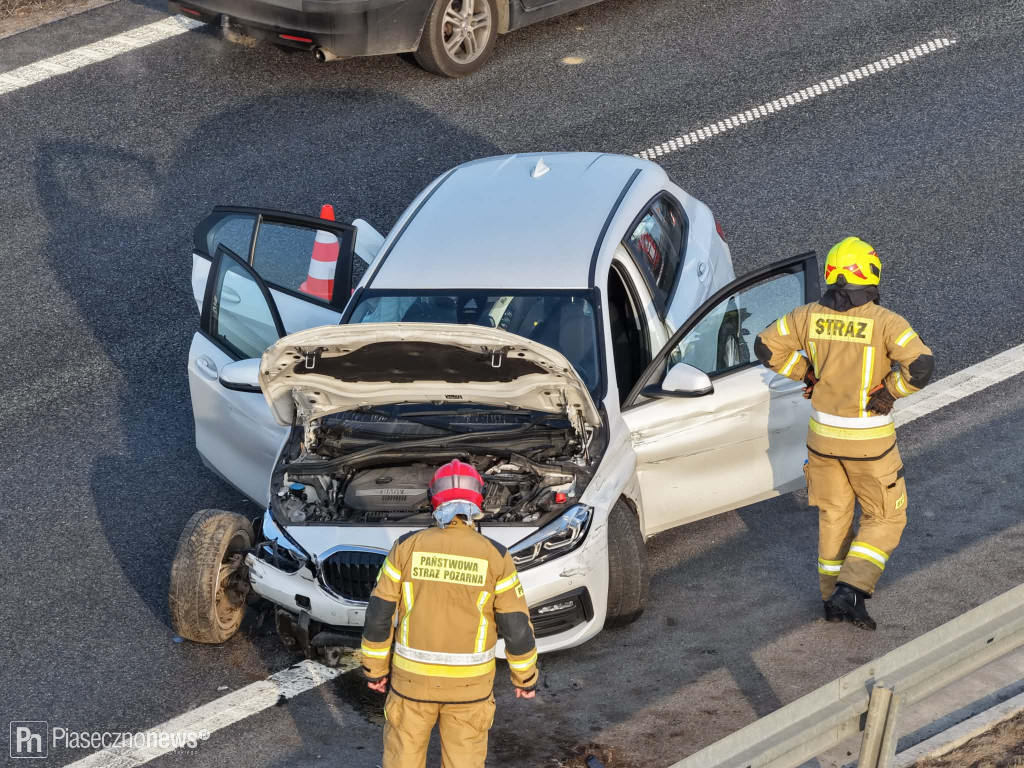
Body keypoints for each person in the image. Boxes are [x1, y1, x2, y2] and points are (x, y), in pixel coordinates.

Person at [755, 237, 934, 630]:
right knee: (886, 516)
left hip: (822, 441)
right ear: (870, 274)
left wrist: (806, 373)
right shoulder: (886, 322)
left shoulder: (807, 316)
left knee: (834, 516)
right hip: (870, 443)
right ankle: (851, 590)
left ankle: (831, 600)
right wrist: (890, 392)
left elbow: (765, 347)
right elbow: (920, 366)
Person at [360, 459, 539, 768]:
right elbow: (516, 626)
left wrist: (374, 670)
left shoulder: (406, 547)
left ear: (434, 501)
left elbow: (379, 614)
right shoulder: (496, 556)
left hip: (411, 685)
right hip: (470, 691)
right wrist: (525, 678)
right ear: (478, 502)